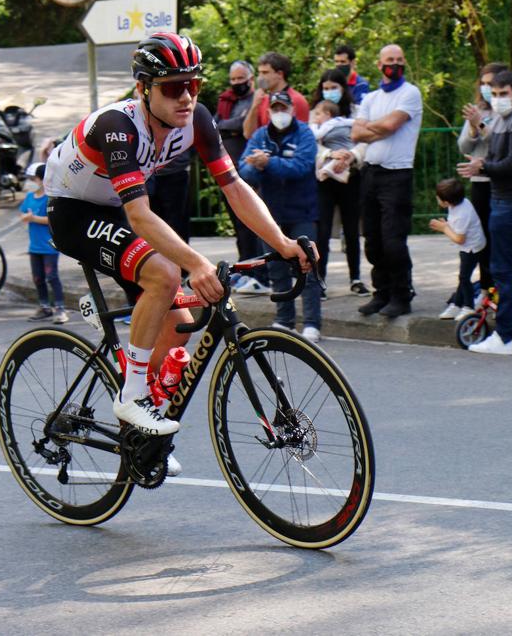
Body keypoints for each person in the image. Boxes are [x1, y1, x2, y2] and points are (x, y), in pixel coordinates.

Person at [45, 32, 314, 453]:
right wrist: (197, 264)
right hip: (72, 211)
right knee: (165, 273)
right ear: (143, 89)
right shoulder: (117, 126)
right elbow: (140, 215)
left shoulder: (197, 120)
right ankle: (131, 397)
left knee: (177, 328)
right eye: (172, 88)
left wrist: (282, 243)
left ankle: (139, 436)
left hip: (115, 208)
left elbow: (234, 187)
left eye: (193, 84)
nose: (186, 97)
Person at [458, 70, 512, 355]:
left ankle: (504, 337)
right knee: (507, 259)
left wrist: (482, 166)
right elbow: (495, 151)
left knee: (502, 270)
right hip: (502, 199)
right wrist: (480, 158)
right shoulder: (503, 119)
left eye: (503, 94)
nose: (497, 99)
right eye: (494, 94)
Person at [239, 91, 322, 342]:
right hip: (271, 216)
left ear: (292, 110)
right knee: (276, 269)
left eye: (283, 108)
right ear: (268, 112)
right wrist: (255, 165)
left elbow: (302, 166)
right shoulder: (260, 135)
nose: (279, 113)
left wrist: (268, 163)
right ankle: (284, 320)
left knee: (308, 267)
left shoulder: (304, 134)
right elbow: (243, 172)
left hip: (302, 212)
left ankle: (312, 323)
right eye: (275, 108)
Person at [348, 44, 423, 318]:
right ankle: (381, 293)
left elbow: (391, 125)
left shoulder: (410, 93)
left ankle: (402, 294)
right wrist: (379, 127)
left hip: (397, 174)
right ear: (379, 64)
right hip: (371, 172)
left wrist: (373, 127)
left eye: (399, 59)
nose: (395, 64)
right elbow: (356, 134)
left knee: (393, 240)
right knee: (373, 239)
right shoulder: (371, 97)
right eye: (390, 60)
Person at [309, 69, 369, 296]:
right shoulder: (315, 112)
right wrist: (330, 155)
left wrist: (350, 156)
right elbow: (311, 141)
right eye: (325, 88)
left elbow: (365, 140)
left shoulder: (356, 112)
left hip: (351, 175)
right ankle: (320, 279)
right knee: (322, 231)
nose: (329, 92)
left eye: (334, 87)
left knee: (352, 229)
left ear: (343, 88)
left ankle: (356, 278)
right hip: (325, 178)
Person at [214, 60, 270, 295]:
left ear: (251, 79)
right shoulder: (227, 101)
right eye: (233, 79)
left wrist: (228, 126)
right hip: (228, 173)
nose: (237, 83)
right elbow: (214, 125)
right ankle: (244, 268)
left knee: (253, 225)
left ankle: (259, 273)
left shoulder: (258, 99)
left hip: (249, 171)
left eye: (241, 79)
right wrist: (230, 126)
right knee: (239, 227)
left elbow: (246, 127)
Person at [457, 62, 507, 297]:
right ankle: (486, 288)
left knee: (500, 239)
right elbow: (463, 146)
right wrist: (473, 129)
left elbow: (501, 144)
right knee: (481, 239)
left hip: (499, 181)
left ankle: (501, 286)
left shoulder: (506, 111)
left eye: (491, 83)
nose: (486, 88)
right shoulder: (478, 111)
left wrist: (480, 124)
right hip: (479, 184)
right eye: (483, 84)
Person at [429, 178, 486, 320]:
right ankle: (456, 304)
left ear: (446, 202)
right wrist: (448, 225)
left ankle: (468, 307)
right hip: (469, 246)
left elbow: (459, 239)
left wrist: (444, 228)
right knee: (463, 277)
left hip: (471, 248)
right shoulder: (459, 203)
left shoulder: (462, 213)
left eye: (438, 198)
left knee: (464, 278)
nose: (436, 198)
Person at [20, 163, 69, 324]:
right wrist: (27, 217)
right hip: (34, 247)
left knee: (52, 277)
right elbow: (23, 214)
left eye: (33, 179)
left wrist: (33, 218)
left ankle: (60, 308)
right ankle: (44, 307)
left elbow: (52, 220)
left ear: (42, 179)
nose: (30, 182)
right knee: (38, 278)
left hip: (48, 247)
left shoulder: (49, 198)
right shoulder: (29, 197)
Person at [242, 52, 309, 139]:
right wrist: (254, 106)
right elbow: (248, 134)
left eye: (265, 73)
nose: (260, 78)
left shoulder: (296, 100)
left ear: (280, 74)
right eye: (259, 73)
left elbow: (301, 136)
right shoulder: (262, 99)